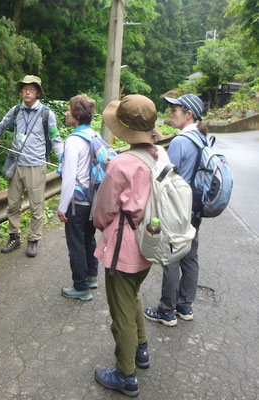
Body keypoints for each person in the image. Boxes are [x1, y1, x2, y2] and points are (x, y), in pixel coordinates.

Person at [92, 95, 164, 397]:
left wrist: (99, 225)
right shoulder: (160, 155)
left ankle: (126, 375)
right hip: (149, 242)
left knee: (120, 311)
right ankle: (142, 349)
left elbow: (104, 210)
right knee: (132, 295)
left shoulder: (122, 164)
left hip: (123, 248)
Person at [144, 94, 206, 326]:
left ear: (188, 114)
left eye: (175, 110)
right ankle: (185, 305)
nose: (170, 113)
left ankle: (166, 311)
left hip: (177, 207)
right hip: (196, 207)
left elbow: (166, 175)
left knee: (171, 254)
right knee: (190, 255)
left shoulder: (181, 141)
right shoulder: (202, 137)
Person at [0, 75, 64, 257]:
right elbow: (0, 126)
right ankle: (14, 237)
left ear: (38, 93)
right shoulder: (16, 111)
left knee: (36, 205)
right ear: (21, 91)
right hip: (16, 163)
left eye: (31, 89)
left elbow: (55, 138)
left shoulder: (47, 114)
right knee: (13, 203)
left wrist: (64, 160)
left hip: (36, 165)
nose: (27, 91)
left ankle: (33, 240)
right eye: (24, 88)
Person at [57, 95, 99, 301]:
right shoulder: (94, 135)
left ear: (77, 114)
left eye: (68, 109)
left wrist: (62, 207)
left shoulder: (73, 140)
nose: (66, 113)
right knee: (89, 238)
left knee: (76, 243)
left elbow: (69, 177)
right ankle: (92, 276)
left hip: (78, 201)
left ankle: (81, 286)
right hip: (94, 199)